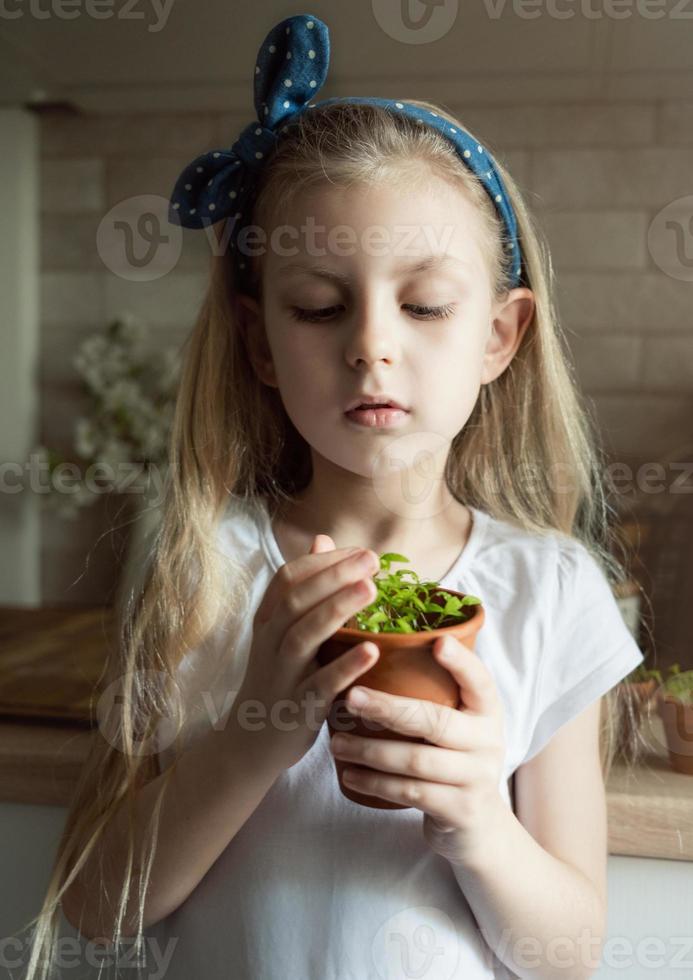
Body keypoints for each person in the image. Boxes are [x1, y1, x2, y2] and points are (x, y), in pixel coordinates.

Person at [23, 12, 648, 980]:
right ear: (261, 341)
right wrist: (251, 735)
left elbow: (569, 954)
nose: (371, 344)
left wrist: (478, 817)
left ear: (499, 334)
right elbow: (96, 906)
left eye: (426, 304)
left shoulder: (553, 590)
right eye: (319, 305)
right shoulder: (204, 569)